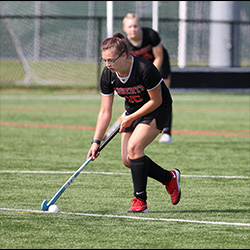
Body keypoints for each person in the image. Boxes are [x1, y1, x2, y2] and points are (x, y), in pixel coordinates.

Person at [87, 33, 181, 213]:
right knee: (128, 159)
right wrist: (95, 141)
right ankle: (169, 178)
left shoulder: (145, 69)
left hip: (158, 108)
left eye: (111, 60)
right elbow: (105, 111)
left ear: (124, 55)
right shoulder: (108, 75)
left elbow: (156, 101)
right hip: (132, 110)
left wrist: (129, 118)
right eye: (104, 60)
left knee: (134, 148)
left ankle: (140, 201)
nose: (108, 65)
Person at [123, 13, 173, 143]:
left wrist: (151, 78)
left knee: (164, 95)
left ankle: (167, 132)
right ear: (125, 29)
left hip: (159, 66)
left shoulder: (151, 35)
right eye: (130, 27)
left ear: (140, 26)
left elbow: (159, 57)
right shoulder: (125, 44)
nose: (133, 29)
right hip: (142, 71)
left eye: (135, 26)